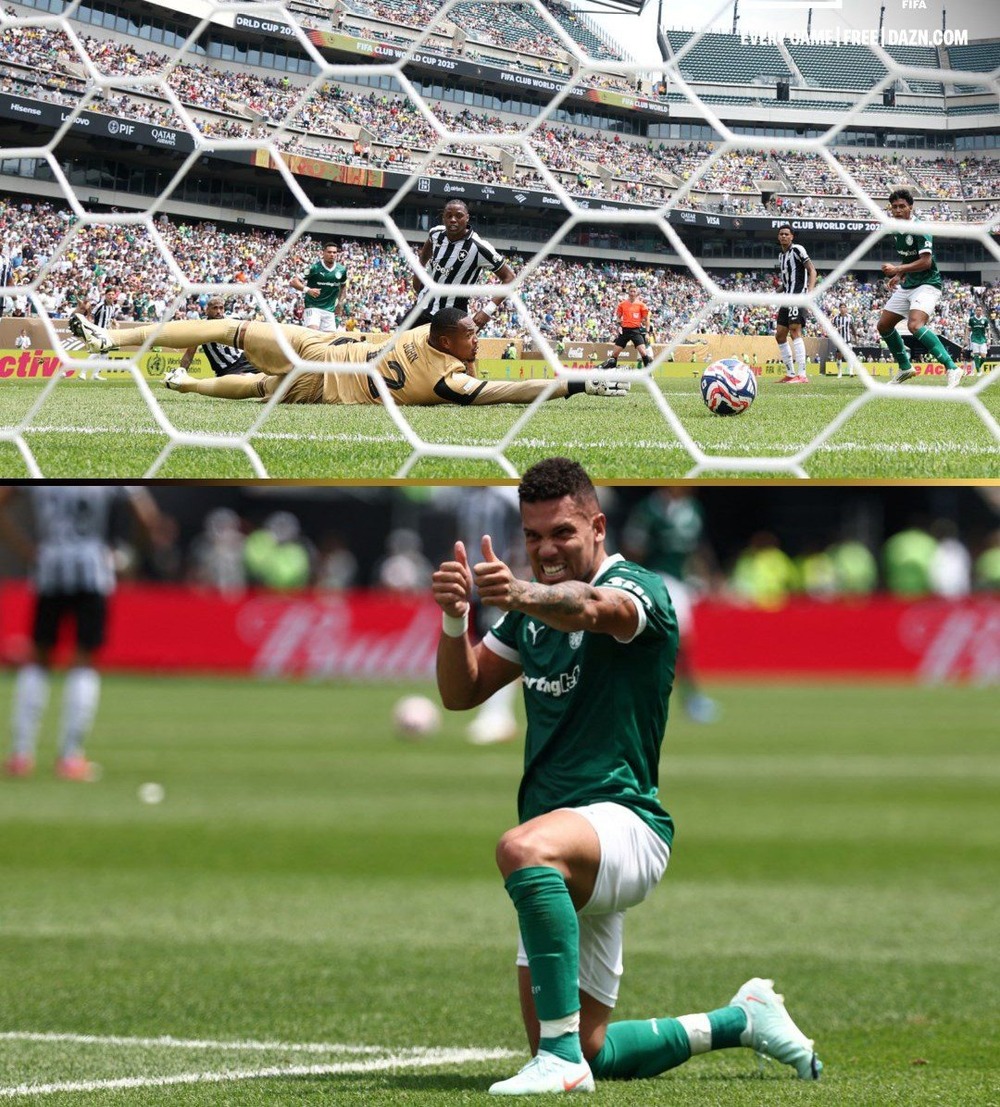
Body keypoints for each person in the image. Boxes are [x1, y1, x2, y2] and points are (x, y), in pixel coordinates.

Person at [432, 457, 822, 1095]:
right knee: (593, 1049)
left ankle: (556, 1064)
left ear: (597, 527)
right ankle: (740, 1020)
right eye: (532, 537)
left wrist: (521, 592)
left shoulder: (642, 589)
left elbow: (590, 608)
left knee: (521, 849)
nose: (545, 550)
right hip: (568, 844)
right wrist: (455, 618)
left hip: (626, 825)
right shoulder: (533, 609)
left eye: (561, 533)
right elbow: (462, 691)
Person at [69, 309, 630, 407]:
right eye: (470, 338)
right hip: (324, 381)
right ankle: (183, 386)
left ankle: (114, 339)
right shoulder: (446, 382)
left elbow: (459, 328)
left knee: (233, 330)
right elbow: (512, 392)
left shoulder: (426, 335)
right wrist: (575, 383)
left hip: (320, 352)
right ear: (449, 342)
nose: (476, 341)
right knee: (252, 390)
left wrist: (473, 323)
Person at [0, 486, 168, 781]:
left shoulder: (39, 464)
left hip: (49, 568)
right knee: (84, 661)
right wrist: (128, 554)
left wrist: (25, 548)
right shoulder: (107, 463)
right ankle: (69, 757)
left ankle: (20, 755)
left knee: (39, 658)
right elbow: (147, 516)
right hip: (92, 570)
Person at [621, 488, 719, 724]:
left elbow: (698, 546)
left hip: (680, 582)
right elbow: (633, 548)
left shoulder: (693, 509)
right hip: (656, 578)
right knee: (668, 641)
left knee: (680, 644)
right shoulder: (648, 510)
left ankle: (689, 697)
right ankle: (686, 697)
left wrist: (711, 573)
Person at [878, 188, 961, 388]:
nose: (897, 210)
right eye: (894, 207)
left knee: (914, 325)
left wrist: (897, 268)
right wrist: (899, 275)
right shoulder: (897, 230)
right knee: (884, 325)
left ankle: (952, 368)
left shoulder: (920, 228)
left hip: (928, 284)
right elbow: (910, 258)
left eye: (902, 207)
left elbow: (925, 262)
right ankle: (905, 367)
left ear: (910, 208)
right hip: (909, 284)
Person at [411, 200, 516, 329]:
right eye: (449, 216)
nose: (453, 220)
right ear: (443, 218)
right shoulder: (436, 234)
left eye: (459, 215)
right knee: (402, 343)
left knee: (443, 348)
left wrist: (488, 310)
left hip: (452, 316)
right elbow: (424, 255)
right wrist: (418, 274)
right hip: (423, 307)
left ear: (467, 218)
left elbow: (509, 278)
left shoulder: (479, 247)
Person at [176, 296, 261, 378]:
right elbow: (189, 354)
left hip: (244, 360)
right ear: (207, 310)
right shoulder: (201, 328)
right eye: (215, 308)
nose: (218, 311)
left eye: (221, 308)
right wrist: (180, 373)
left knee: (269, 377)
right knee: (244, 384)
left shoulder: (231, 320)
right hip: (227, 370)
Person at [774, 225, 815, 384]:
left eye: (786, 234)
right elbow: (786, 282)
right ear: (778, 237)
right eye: (781, 234)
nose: (783, 236)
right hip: (786, 296)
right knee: (780, 335)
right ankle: (790, 374)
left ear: (792, 237)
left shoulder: (798, 249)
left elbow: (812, 270)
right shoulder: (781, 256)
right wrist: (773, 294)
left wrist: (809, 293)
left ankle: (802, 375)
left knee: (794, 330)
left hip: (798, 296)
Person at [290, 241, 348, 332]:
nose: (332, 254)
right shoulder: (314, 268)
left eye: (334, 252)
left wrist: (340, 303)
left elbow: (343, 286)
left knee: (328, 341)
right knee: (313, 334)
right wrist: (307, 290)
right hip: (313, 307)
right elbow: (293, 282)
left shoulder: (341, 270)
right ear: (323, 253)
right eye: (329, 252)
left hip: (329, 310)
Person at [599, 287, 654, 369]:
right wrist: (619, 324)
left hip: (635, 330)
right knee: (614, 354)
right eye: (631, 291)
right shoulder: (622, 304)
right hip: (625, 330)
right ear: (628, 292)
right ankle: (612, 372)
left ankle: (648, 372)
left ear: (636, 293)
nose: (632, 293)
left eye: (634, 291)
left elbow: (647, 319)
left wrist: (647, 333)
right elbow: (618, 317)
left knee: (643, 352)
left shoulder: (641, 305)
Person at [832, 303, 855, 378]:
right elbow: (832, 329)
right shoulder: (836, 318)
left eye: (844, 307)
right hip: (839, 340)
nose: (842, 309)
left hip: (848, 340)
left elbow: (853, 328)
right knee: (839, 356)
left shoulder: (850, 317)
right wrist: (837, 329)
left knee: (850, 355)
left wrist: (855, 337)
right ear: (839, 309)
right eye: (841, 307)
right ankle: (839, 372)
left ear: (846, 308)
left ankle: (851, 372)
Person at [966, 305, 989, 376]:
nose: (979, 311)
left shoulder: (985, 320)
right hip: (974, 339)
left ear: (982, 311)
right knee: (975, 354)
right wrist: (967, 338)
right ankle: (978, 371)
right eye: (977, 310)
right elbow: (968, 329)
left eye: (980, 310)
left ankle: (978, 366)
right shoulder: (971, 319)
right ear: (975, 311)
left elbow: (988, 330)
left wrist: (989, 339)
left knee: (984, 357)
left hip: (982, 339)